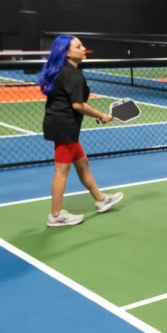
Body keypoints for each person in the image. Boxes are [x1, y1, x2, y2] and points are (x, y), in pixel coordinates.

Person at [39, 35, 123, 226]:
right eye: (79, 46)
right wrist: (102, 115)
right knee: (61, 170)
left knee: (82, 163)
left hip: (60, 123)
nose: (84, 48)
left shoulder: (63, 71)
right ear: (66, 52)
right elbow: (78, 105)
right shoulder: (73, 75)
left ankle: (101, 200)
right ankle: (56, 215)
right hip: (65, 126)